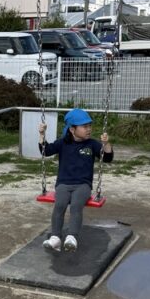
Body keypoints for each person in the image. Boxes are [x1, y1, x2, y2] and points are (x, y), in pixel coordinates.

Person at [38, 108, 114, 252]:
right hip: (63, 184)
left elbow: (108, 158)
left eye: (89, 126)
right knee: (59, 205)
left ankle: (71, 237)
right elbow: (45, 151)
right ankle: (55, 237)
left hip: (83, 185)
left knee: (76, 206)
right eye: (84, 126)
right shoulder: (63, 143)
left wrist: (106, 144)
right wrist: (42, 134)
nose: (88, 129)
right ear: (72, 129)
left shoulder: (92, 144)